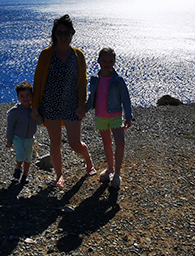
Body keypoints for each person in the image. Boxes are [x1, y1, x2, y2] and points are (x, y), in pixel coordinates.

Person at [32, 14, 96, 187]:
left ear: (71, 33)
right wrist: (35, 106)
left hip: (72, 105)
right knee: (55, 142)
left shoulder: (78, 55)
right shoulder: (46, 55)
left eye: (66, 32)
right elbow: (38, 81)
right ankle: (59, 175)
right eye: (60, 32)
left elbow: (83, 81)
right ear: (54, 33)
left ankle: (88, 161)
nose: (63, 35)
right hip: (50, 104)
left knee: (75, 143)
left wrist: (82, 104)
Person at [85, 47, 132, 189]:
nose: (107, 63)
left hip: (116, 115)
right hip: (100, 116)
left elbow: (126, 99)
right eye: (104, 60)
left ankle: (117, 173)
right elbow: (91, 99)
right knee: (106, 143)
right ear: (98, 61)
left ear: (114, 62)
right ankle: (110, 169)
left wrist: (128, 117)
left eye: (110, 61)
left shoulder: (118, 80)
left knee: (120, 143)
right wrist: (82, 111)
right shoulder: (94, 79)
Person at [6, 81, 42, 184]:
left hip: (30, 138)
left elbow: (40, 122)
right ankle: (18, 168)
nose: (25, 98)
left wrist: (37, 116)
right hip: (18, 138)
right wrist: (9, 140)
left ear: (32, 96)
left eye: (27, 95)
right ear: (18, 97)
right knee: (21, 155)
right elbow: (10, 127)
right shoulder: (15, 111)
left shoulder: (34, 110)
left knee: (28, 158)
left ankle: (25, 175)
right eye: (22, 96)